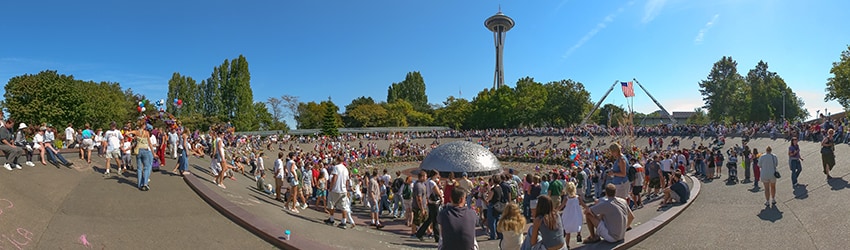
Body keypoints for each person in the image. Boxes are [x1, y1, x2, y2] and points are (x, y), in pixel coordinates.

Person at [325, 156, 354, 229]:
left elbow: (335, 177)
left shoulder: (336, 167)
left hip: (336, 189)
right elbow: (347, 180)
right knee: (343, 206)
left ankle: (331, 219)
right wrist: (346, 189)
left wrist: (331, 187)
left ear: (337, 160)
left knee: (331, 204)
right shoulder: (346, 169)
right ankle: (343, 221)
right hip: (343, 189)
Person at [415, 170, 443, 242]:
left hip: (430, 202)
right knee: (435, 220)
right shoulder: (432, 182)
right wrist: (441, 196)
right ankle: (437, 237)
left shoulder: (427, 181)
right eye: (437, 175)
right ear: (435, 175)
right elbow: (437, 191)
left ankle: (419, 233)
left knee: (430, 219)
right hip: (434, 202)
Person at [560, 182, 584, 248]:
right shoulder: (577, 197)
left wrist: (554, 211)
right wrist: (588, 209)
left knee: (568, 231)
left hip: (568, 215)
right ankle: (578, 234)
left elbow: (561, 206)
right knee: (578, 223)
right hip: (576, 213)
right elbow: (583, 204)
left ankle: (567, 245)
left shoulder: (566, 199)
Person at [134, 121, 154, 191]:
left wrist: (134, 138)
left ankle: (139, 184)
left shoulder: (136, 132)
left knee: (139, 168)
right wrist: (153, 153)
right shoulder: (146, 133)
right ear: (144, 125)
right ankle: (145, 184)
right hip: (145, 150)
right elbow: (150, 144)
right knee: (146, 167)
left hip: (138, 150)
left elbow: (127, 133)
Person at [486, 175, 505, 240]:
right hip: (499, 205)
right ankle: (500, 235)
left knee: (492, 221)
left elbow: (489, 198)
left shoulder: (493, 189)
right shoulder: (500, 187)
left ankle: (493, 235)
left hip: (493, 205)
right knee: (498, 220)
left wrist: (487, 195)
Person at [411, 170, 428, 237]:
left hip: (423, 206)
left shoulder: (423, 184)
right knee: (416, 220)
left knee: (425, 219)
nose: (426, 177)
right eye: (426, 176)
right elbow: (419, 198)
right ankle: (413, 233)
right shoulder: (418, 186)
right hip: (418, 207)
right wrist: (422, 208)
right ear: (422, 177)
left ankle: (425, 231)